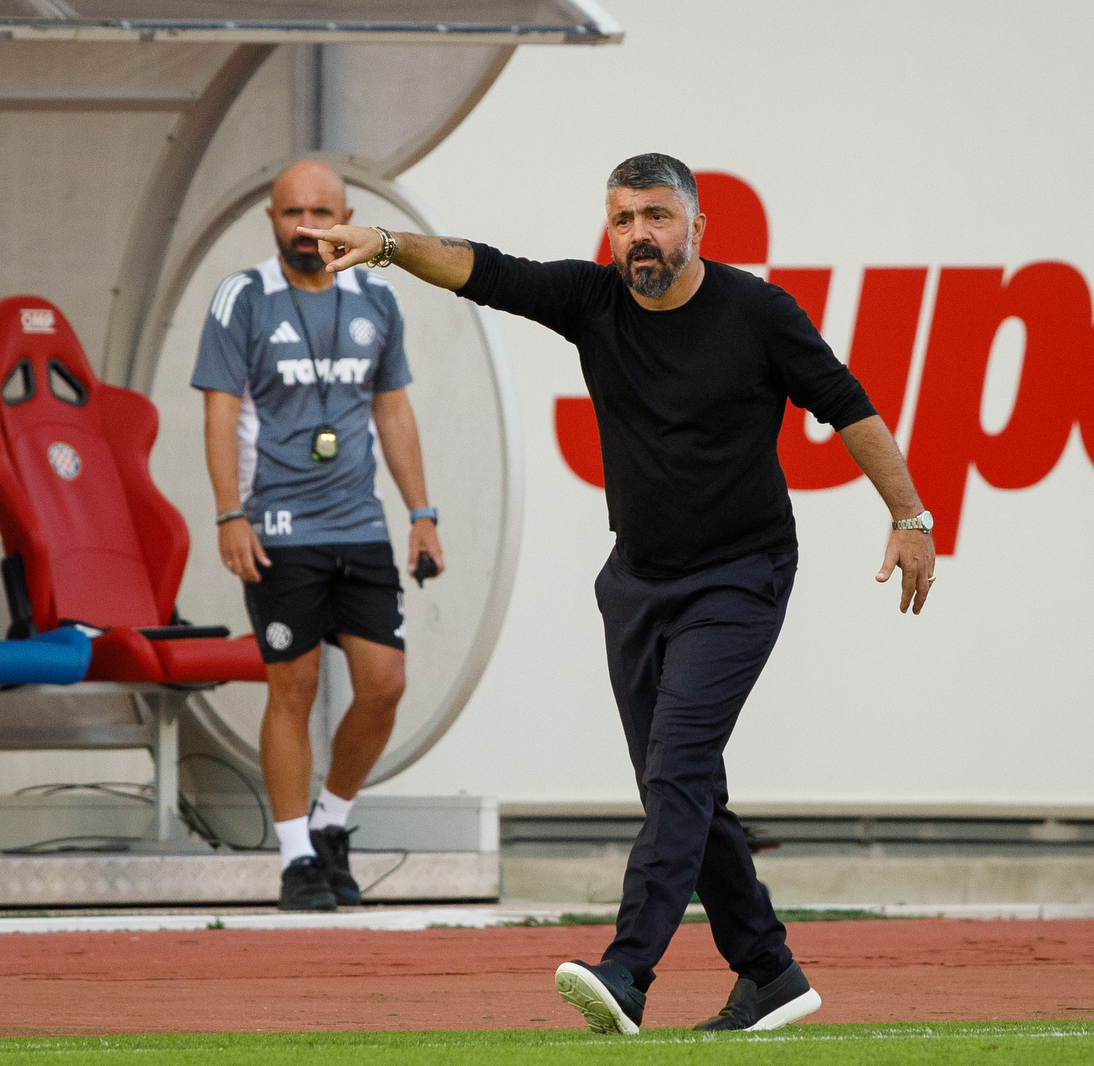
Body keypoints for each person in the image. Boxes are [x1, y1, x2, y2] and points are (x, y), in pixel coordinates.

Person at [301, 153, 936, 1033]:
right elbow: (482, 268)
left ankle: (626, 971)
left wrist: (912, 518)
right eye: (623, 217)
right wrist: (383, 245)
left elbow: (850, 407)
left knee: (676, 771)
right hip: (636, 583)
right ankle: (771, 974)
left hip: (741, 578)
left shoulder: (756, 314)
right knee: (683, 789)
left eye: (656, 216)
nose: (639, 234)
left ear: (696, 228)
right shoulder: (592, 301)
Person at [192, 160, 445, 912]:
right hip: (277, 527)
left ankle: (334, 821)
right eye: (292, 213)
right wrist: (228, 513)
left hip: (359, 523)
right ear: (271, 219)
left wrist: (422, 514)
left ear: (348, 213)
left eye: (321, 212)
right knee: (293, 687)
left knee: (384, 683)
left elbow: (392, 409)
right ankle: (297, 855)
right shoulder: (243, 297)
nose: (307, 227)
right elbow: (218, 412)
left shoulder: (377, 293)